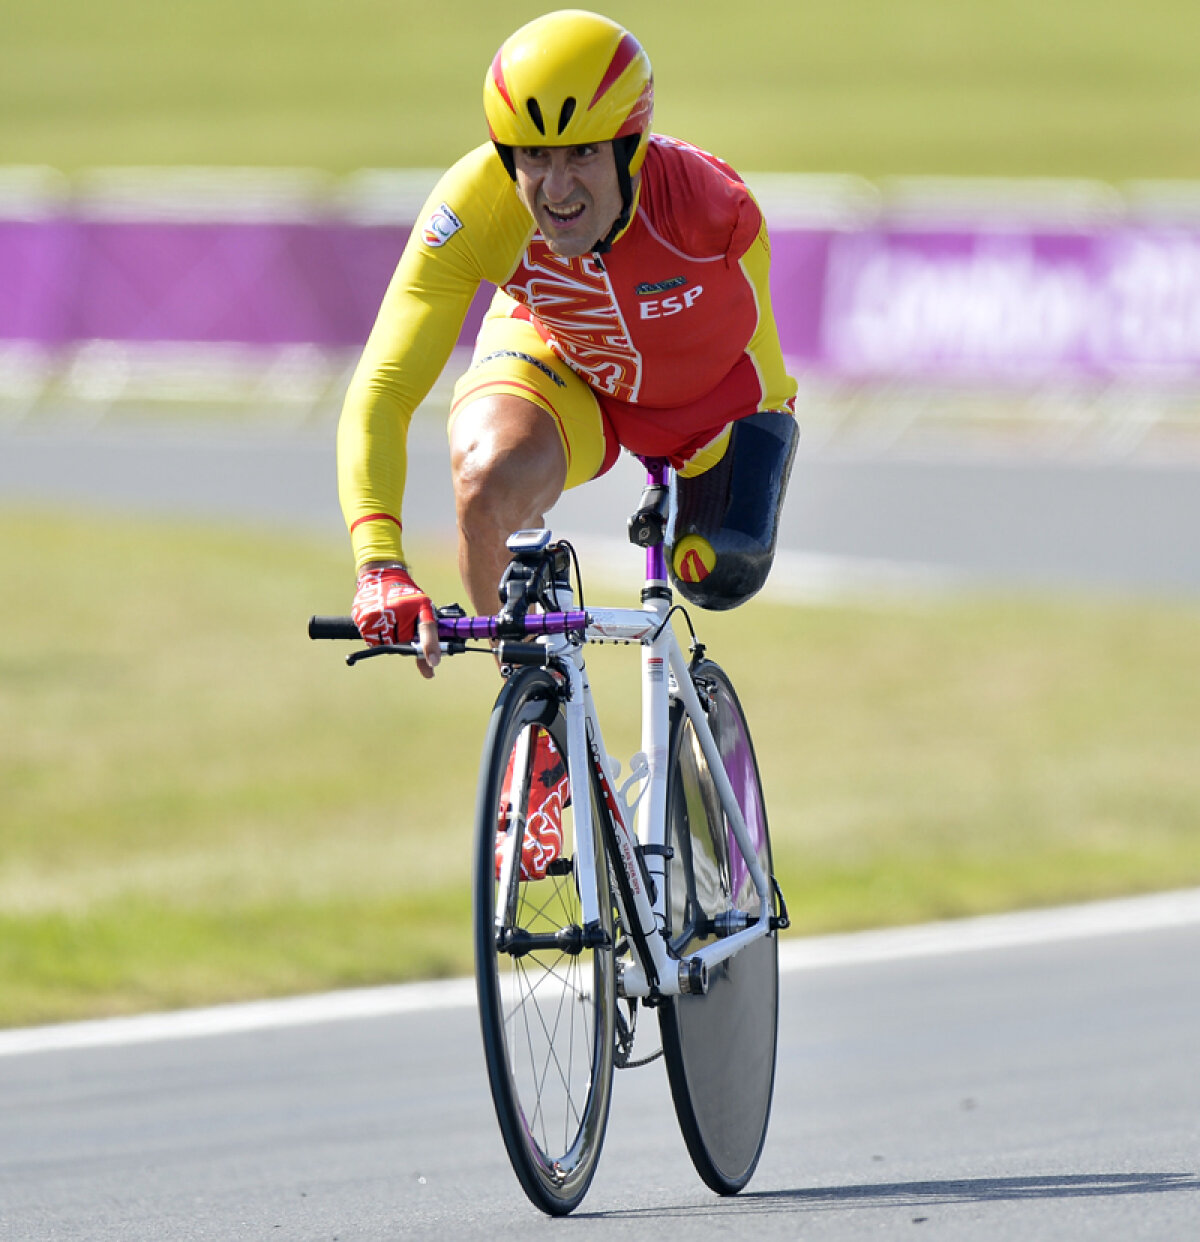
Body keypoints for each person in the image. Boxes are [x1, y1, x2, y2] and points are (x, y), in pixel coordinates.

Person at [337, 10, 798, 876]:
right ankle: (537, 743)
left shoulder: (713, 212)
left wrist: (737, 479)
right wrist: (380, 565)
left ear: (630, 146)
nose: (555, 188)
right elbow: (384, 387)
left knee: (718, 577)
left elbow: (766, 383)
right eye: (534, 157)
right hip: (563, 364)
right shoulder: (474, 206)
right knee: (486, 480)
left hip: (701, 412)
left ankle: (711, 826)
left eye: (582, 153)